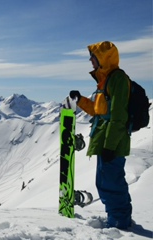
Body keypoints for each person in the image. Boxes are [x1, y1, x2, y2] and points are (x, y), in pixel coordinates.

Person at [69, 41, 132, 229]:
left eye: (93, 57)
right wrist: (81, 101)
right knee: (104, 182)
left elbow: (118, 116)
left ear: (103, 58)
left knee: (112, 183)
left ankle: (119, 223)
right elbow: (100, 112)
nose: (90, 60)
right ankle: (116, 219)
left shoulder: (118, 79)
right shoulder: (105, 81)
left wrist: (110, 146)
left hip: (112, 142)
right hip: (104, 139)